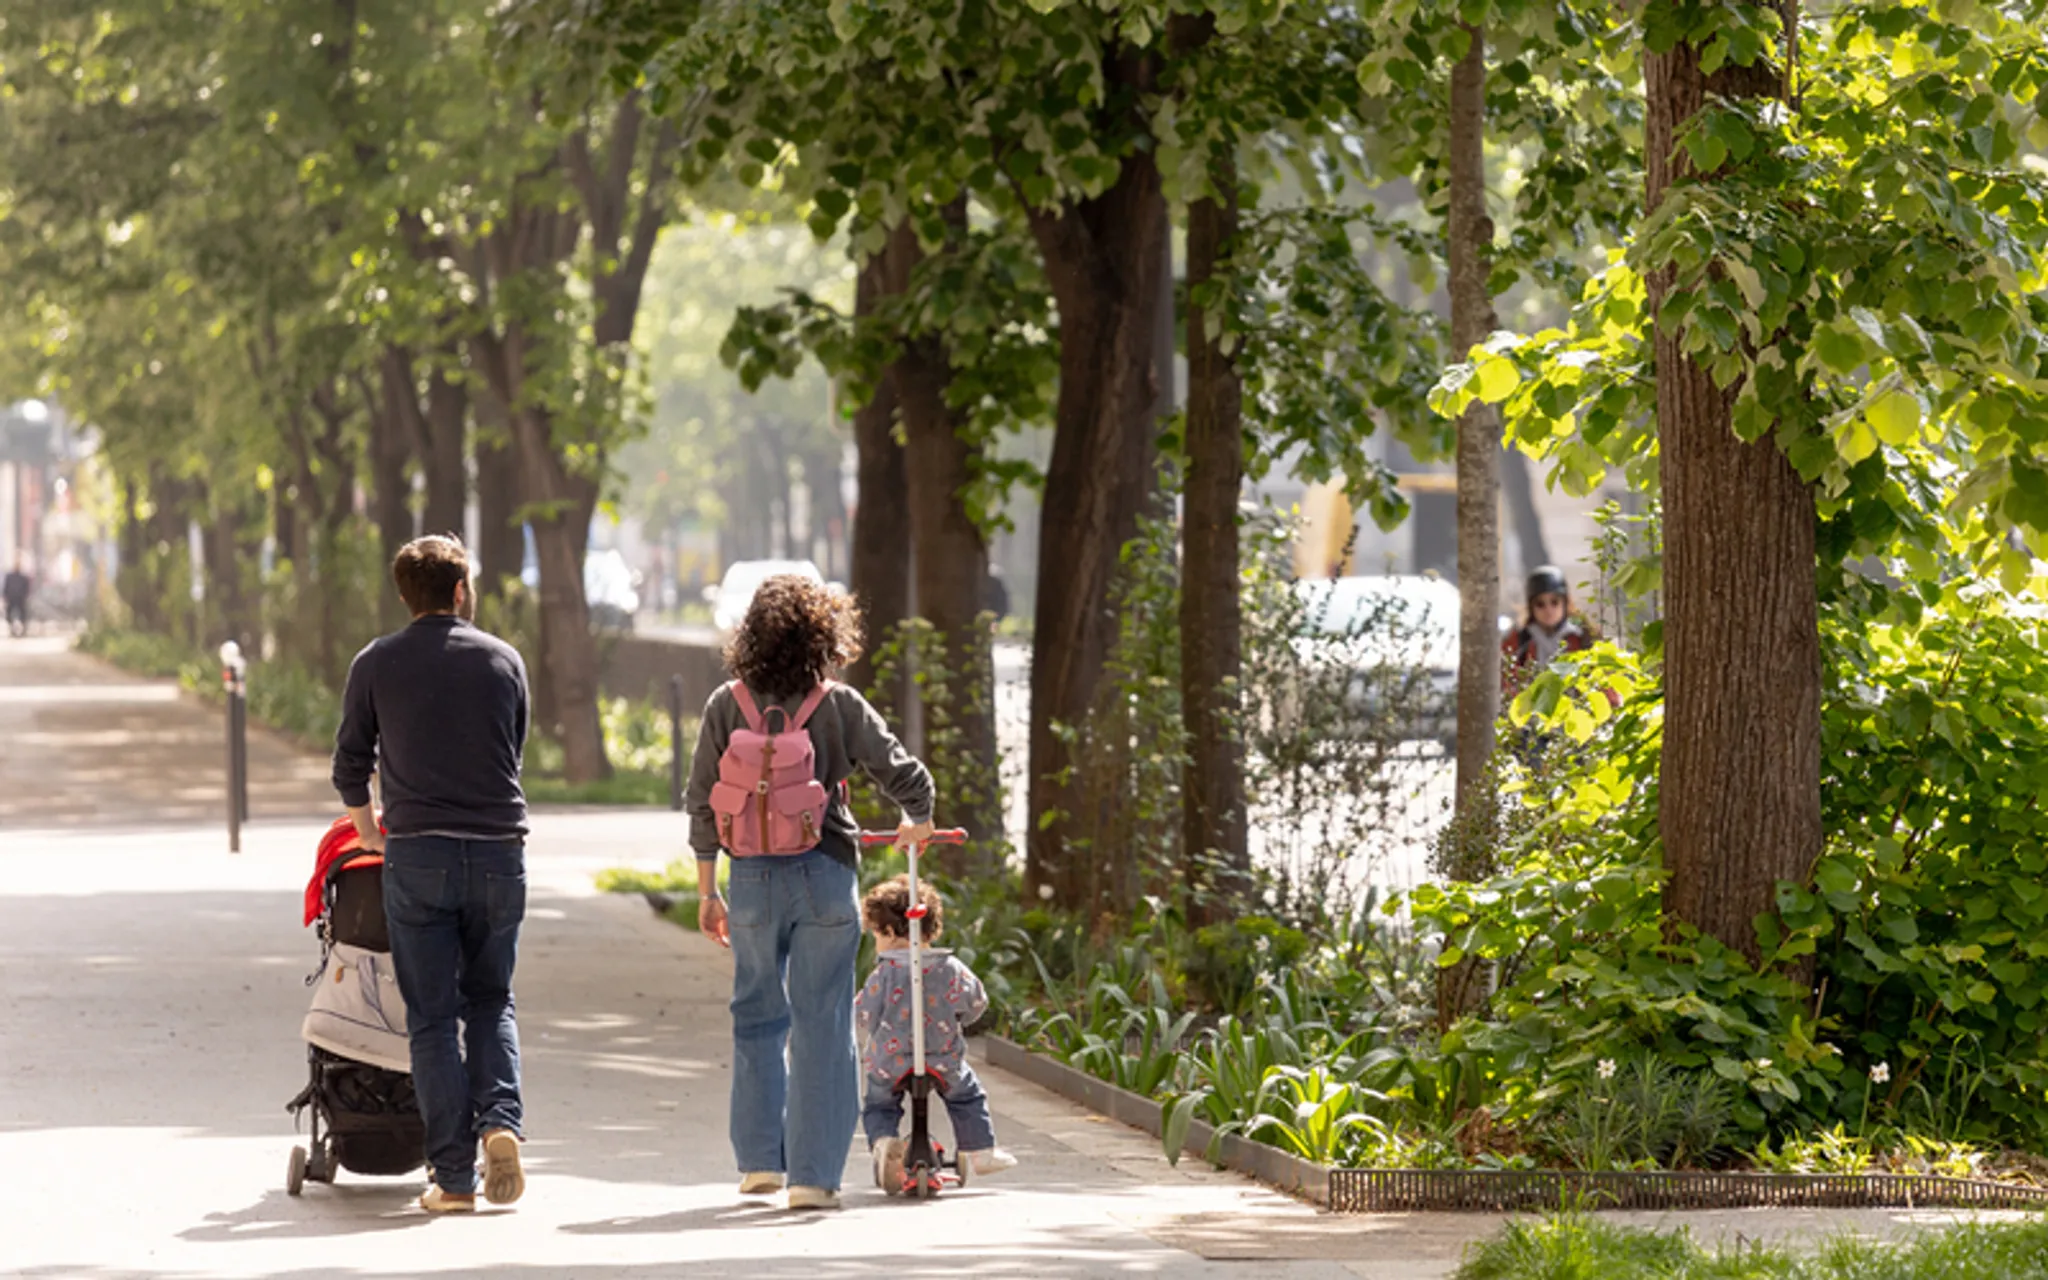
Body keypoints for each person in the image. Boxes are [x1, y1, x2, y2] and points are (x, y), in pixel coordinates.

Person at [686, 574, 935, 1211]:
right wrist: (919, 817)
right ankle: (813, 1179)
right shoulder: (838, 703)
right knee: (822, 1023)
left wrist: (708, 890)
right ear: (824, 632)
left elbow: (699, 804)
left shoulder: (726, 703)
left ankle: (760, 1164)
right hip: (825, 875)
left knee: (755, 1015)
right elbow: (902, 772)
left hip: (750, 880)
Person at [332, 534, 531, 1214]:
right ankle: (500, 1120)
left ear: (403, 596)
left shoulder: (376, 663)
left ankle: (453, 1179)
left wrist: (368, 834)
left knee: (432, 1018)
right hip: (501, 851)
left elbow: (349, 764)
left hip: (417, 854)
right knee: (491, 998)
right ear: (459, 591)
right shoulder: (504, 660)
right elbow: (514, 749)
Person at [856, 875, 1017, 1181]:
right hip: (942, 1057)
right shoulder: (951, 968)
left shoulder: (884, 973)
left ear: (889, 932)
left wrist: (876, 1026)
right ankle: (980, 1149)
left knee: (879, 1103)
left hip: (890, 1061)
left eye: (876, 933)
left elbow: (864, 1013)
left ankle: (882, 1143)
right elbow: (976, 1001)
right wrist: (960, 1020)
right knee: (966, 1096)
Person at [1500, 564, 1593, 694]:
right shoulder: (1519, 640)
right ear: (1531, 607)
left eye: (1554, 602)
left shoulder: (1584, 638)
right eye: (1540, 604)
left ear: (1565, 602)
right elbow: (1505, 684)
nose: (1548, 610)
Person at [3, 558, 30, 637]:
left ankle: (23, 629)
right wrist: (5, 596)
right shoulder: (9, 576)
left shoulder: (23, 577)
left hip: (20, 598)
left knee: (23, 614)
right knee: (8, 614)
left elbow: (26, 587)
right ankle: (12, 628)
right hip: (11, 598)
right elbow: (6, 587)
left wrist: (25, 595)